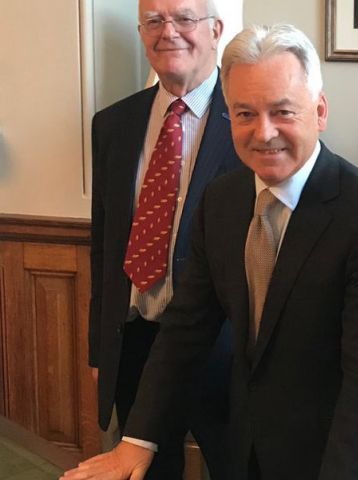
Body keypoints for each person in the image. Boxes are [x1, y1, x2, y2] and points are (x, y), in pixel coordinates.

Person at [63, 23, 358, 480]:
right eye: (245, 113)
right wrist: (137, 440)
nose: (263, 132)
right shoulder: (222, 201)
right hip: (248, 450)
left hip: (341, 455)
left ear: (320, 109)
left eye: (282, 111)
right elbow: (185, 330)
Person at [86, 0, 239, 477]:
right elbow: (103, 245)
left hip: (222, 347)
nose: (168, 32)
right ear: (141, 32)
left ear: (215, 31)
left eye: (184, 18)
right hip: (135, 338)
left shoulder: (250, 123)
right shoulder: (112, 124)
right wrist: (99, 347)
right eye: (154, 21)